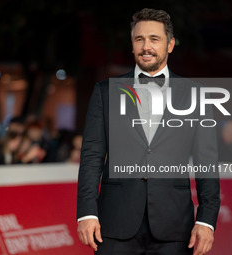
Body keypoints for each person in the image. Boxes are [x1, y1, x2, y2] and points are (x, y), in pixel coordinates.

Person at [77, 8, 220, 255]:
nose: (146, 46)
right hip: (114, 224)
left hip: (175, 227)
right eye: (139, 39)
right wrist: (87, 212)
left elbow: (206, 163)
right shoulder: (105, 92)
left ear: (170, 44)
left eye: (154, 39)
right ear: (132, 45)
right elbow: (91, 157)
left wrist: (206, 220)